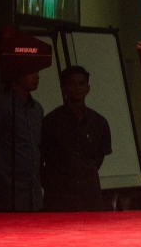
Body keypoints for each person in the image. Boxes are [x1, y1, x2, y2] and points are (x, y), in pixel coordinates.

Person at [40, 66, 113, 211]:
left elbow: (99, 157)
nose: (77, 88)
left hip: (90, 196)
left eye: (81, 83)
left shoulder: (99, 122)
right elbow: (40, 157)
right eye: (72, 83)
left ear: (88, 88)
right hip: (59, 198)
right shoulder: (51, 122)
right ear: (63, 88)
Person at [0, 70, 45, 212]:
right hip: (7, 195)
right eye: (31, 72)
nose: (37, 76)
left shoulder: (37, 109)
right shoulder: (0, 108)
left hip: (33, 195)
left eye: (37, 71)